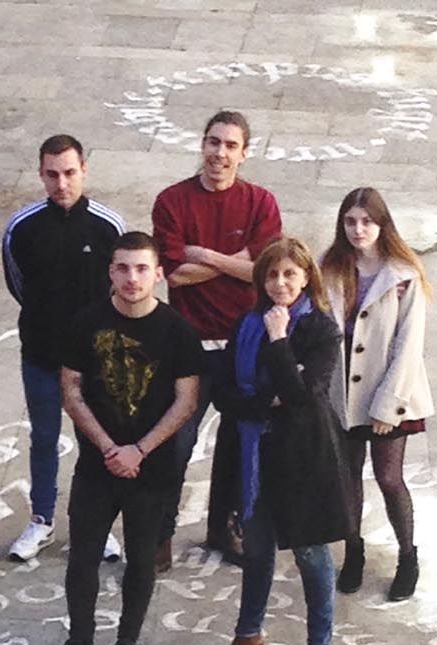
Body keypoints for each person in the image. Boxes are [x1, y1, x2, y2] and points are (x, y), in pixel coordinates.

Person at [45, 233, 201, 645]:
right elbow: (70, 391)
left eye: (141, 269)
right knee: (83, 558)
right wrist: (110, 449)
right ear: (110, 272)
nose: (132, 278)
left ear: (157, 274)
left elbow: (185, 401)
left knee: (140, 561)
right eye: (122, 268)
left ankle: (127, 644)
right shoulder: (84, 323)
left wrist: (140, 450)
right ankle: (79, 639)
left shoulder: (178, 330)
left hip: (152, 471)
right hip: (97, 467)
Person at [209, 237, 351, 645]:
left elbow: (301, 395)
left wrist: (277, 338)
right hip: (254, 454)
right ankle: (249, 636)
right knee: (257, 548)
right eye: (272, 275)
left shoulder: (321, 331)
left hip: (304, 459)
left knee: (311, 553)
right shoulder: (246, 322)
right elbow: (223, 392)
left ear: (307, 277)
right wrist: (260, 402)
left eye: (290, 274)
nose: (280, 283)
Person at [152, 110, 281, 571]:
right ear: (201, 145)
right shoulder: (172, 202)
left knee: (238, 444)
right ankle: (160, 535)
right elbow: (174, 274)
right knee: (177, 443)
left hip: (244, 346)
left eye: (230, 146)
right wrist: (238, 258)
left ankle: (225, 527)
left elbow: (262, 272)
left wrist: (203, 253)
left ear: (244, 154)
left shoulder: (261, 203)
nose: (219, 153)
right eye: (212, 142)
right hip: (189, 347)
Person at [2, 134, 125, 563]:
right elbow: (17, 283)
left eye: (69, 173)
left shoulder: (109, 226)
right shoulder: (22, 227)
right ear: (40, 174)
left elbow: (121, 286)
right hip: (41, 356)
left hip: (94, 362)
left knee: (97, 440)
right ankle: (42, 520)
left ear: (84, 171)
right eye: (52, 174)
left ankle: (98, 525)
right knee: (43, 438)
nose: (61, 183)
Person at [320, 187, 433, 601]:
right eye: (350, 221)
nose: (358, 229)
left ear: (382, 224)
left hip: (388, 391)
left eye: (367, 221)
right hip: (340, 392)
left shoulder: (403, 274)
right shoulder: (329, 267)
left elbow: (409, 346)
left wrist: (388, 405)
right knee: (347, 477)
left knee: (388, 478)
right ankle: (354, 551)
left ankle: (408, 556)